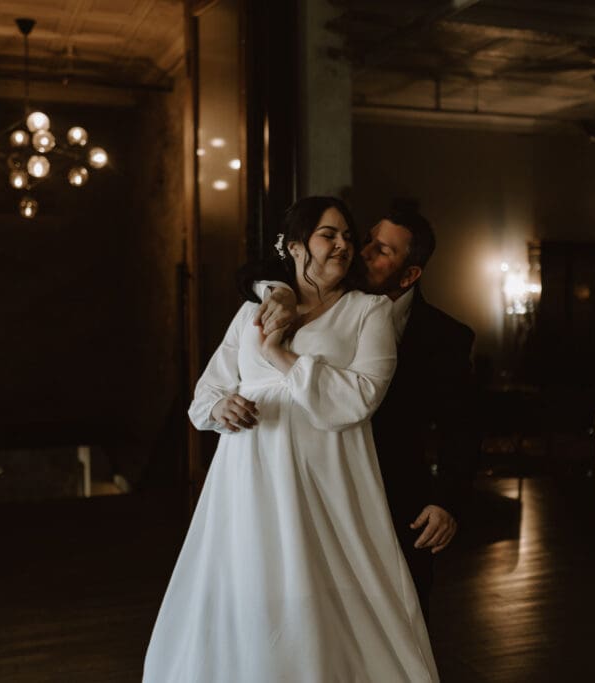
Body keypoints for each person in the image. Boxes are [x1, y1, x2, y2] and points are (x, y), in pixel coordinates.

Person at [142, 197, 439, 682]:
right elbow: (204, 396)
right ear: (297, 247)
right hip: (248, 479)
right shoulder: (252, 312)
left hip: (326, 478)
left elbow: (360, 399)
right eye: (330, 234)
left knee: (324, 596)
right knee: (252, 587)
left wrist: (280, 355)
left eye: (348, 235)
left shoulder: (369, 313)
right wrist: (221, 407)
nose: (344, 245)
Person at [251, 204, 478, 621]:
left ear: (409, 275)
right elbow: (267, 269)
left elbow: (460, 425)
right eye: (367, 240)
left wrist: (446, 502)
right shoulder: (315, 300)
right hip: (319, 481)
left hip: (395, 493)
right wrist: (277, 290)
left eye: (383, 251)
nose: (363, 252)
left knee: (400, 613)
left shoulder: (446, 338)